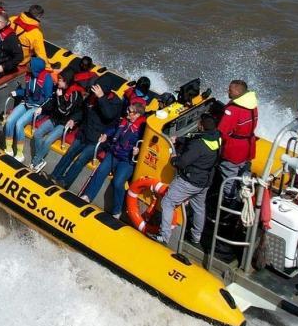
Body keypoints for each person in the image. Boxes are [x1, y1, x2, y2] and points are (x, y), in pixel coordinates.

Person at [153, 113, 222, 245]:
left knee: (168, 202)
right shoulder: (216, 137)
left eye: (199, 122)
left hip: (191, 180)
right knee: (199, 208)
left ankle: (164, 236)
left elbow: (182, 162)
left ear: (201, 126)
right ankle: (196, 237)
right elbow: (196, 141)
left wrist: (173, 158)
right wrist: (179, 139)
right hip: (205, 181)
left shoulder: (198, 145)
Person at [50, 76, 123, 189]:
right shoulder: (91, 97)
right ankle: (54, 176)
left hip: (98, 139)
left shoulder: (115, 102)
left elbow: (109, 115)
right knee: (70, 153)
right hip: (85, 132)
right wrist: (74, 119)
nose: (94, 90)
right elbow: (83, 111)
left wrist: (101, 98)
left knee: (81, 159)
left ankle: (64, 182)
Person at [80, 102, 147, 217]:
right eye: (128, 109)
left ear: (137, 115)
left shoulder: (142, 129)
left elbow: (145, 145)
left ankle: (117, 211)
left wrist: (139, 150)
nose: (127, 112)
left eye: (130, 111)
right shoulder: (123, 121)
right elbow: (113, 129)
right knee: (100, 171)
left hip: (127, 160)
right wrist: (106, 134)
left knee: (118, 182)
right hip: (114, 153)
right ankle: (88, 196)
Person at [29, 70, 83, 172]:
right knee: (37, 134)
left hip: (64, 123)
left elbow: (65, 112)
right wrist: (42, 108)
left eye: (60, 80)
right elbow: (51, 101)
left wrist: (59, 98)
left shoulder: (74, 94)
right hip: (54, 118)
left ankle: (35, 162)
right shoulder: (58, 89)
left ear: (66, 82)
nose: (58, 82)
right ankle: (39, 161)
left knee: (47, 141)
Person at [216, 80, 259, 204]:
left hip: (233, 151)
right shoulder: (252, 106)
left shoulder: (234, 109)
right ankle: (245, 199)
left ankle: (229, 203)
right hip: (248, 147)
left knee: (229, 178)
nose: (228, 91)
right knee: (244, 176)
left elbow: (221, 132)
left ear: (238, 92)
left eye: (230, 89)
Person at [3, 57, 54, 160]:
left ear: (35, 67)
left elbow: (49, 98)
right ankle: (9, 148)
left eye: (29, 64)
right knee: (9, 121)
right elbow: (28, 91)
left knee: (19, 123)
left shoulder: (47, 79)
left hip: (38, 107)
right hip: (27, 102)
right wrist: (17, 92)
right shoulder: (30, 76)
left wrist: (42, 108)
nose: (27, 66)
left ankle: (20, 153)